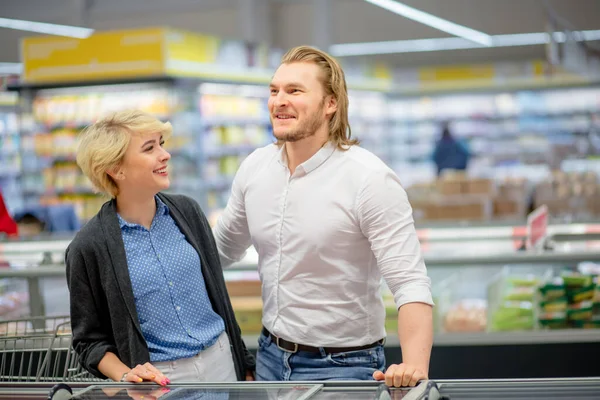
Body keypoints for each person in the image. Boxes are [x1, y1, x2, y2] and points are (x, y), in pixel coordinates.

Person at [213, 46, 434, 388]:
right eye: (274, 91)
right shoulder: (254, 168)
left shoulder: (369, 179)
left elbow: (409, 282)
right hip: (270, 355)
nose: (279, 101)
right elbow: (221, 250)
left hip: (344, 365)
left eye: (295, 91)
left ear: (331, 103)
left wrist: (414, 367)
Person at [65, 110, 255, 385]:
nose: (164, 155)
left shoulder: (188, 212)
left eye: (161, 144)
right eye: (149, 148)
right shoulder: (88, 246)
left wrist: (244, 364)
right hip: (160, 382)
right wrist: (127, 375)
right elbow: (88, 341)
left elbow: (220, 296)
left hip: (222, 365)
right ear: (116, 169)